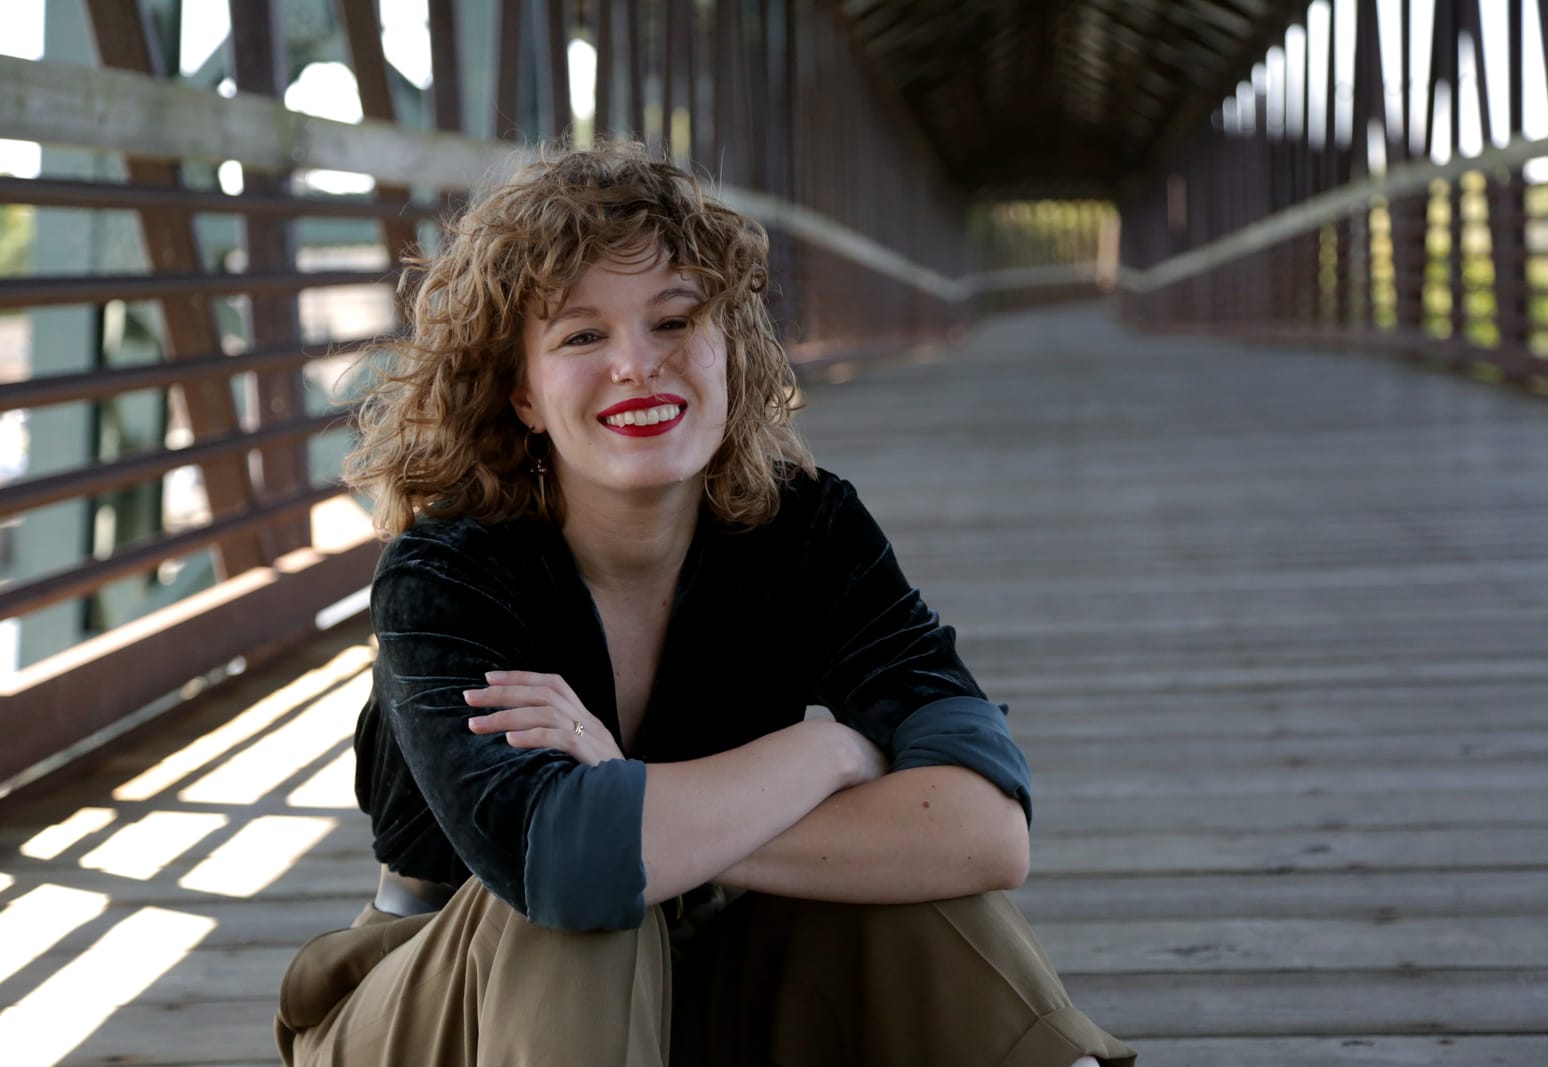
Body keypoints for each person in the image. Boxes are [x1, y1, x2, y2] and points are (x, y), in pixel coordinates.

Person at [274, 141, 1135, 1067]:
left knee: (921, 895)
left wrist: (643, 813)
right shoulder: (451, 569)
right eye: (580, 335)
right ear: (522, 391)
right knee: (582, 916)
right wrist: (827, 750)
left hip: (706, 975)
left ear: (731, 343)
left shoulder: (806, 528)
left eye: (675, 320)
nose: (638, 366)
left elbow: (985, 832)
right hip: (443, 1006)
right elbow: (562, 869)